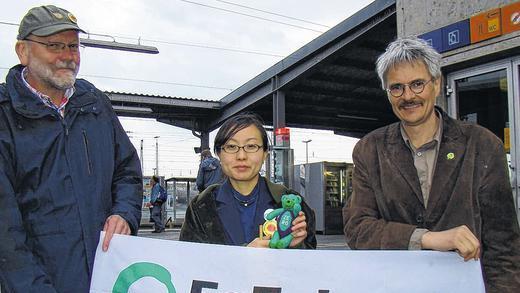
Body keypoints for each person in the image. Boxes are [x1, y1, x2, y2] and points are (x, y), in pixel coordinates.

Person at [342, 37, 520, 292]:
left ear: (436, 84)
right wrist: (426, 238)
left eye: (417, 84)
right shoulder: (370, 149)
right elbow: (358, 229)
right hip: (395, 286)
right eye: (397, 87)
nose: (408, 96)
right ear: (388, 93)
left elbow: (504, 246)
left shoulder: (481, 145)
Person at [0, 5, 143, 292]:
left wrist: (124, 213)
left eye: (73, 46)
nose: (67, 56)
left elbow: (126, 171)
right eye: (54, 45)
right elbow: (6, 233)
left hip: (106, 276)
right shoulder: (5, 115)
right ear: (23, 51)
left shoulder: (94, 104)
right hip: (41, 282)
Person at [180, 113, 316, 248]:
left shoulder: (288, 201)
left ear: (265, 154)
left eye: (251, 146)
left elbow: (310, 259)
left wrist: (296, 245)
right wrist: (246, 254)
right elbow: (190, 261)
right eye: (231, 147)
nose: (241, 156)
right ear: (219, 154)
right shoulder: (201, 206)